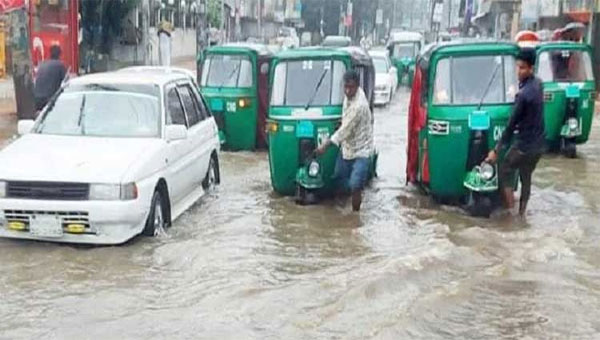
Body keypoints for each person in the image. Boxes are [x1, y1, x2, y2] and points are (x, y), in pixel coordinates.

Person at [485, 48, 545, 216]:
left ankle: (510, 208)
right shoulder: (539, 85)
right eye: (518, 67)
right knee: (526, 175)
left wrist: (495, 151)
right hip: (539, 145)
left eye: (523, 68)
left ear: (531, 69)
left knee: (505, 168)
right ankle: (522, 212)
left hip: (525, 145)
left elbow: (510, 126)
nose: (519, 71)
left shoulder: (523, 96)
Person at [315, 70, 374, 211]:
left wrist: (325, 145)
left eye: (351, 87)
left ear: (357, 86)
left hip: (361, 150)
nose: (347, 91)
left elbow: (344, 130)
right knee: (337, 179)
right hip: (347, 148)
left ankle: (355, 216)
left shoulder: (359, 106)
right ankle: (341, 212)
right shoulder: (349, 97)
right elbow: (346, 122)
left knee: (355, 185)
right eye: (345, 87)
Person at [33, 45, 66, 112]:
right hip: (49, 100)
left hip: (36, 99)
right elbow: (65, 82)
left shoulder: (43, 64)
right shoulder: (60, 65)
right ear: (60, 54)